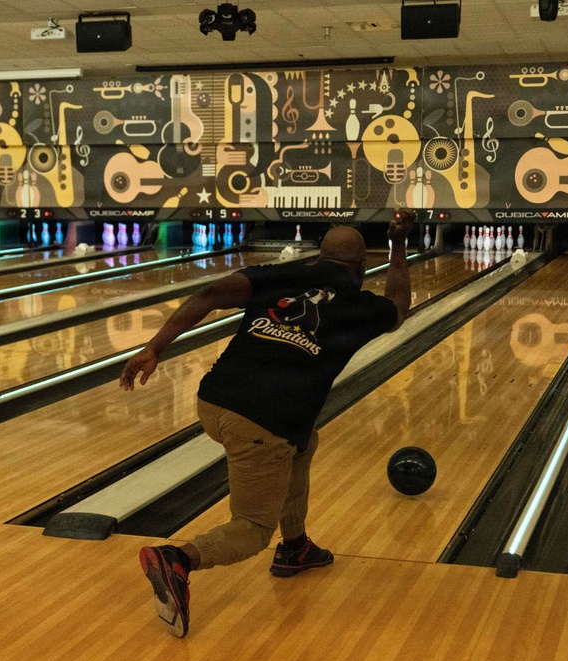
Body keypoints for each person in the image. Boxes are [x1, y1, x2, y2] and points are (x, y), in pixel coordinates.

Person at [119, 209, 416, 638]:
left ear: (319, 256)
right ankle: (178, 560)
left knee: (303, 441)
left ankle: (295, 547)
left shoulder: (277, 276)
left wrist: (154, 348)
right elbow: (400, 305)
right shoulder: (358, 306)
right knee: (254, 529)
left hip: (213, 400)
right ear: (361, 267)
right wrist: (400, 243)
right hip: (260, 424)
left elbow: (208, 293)